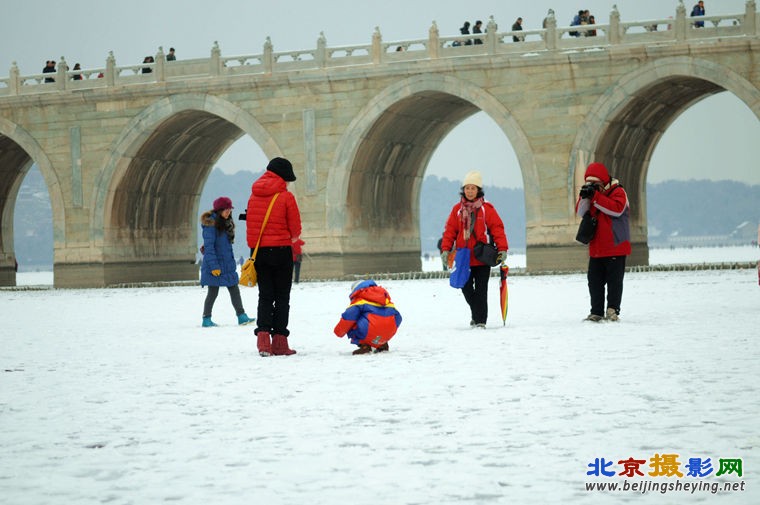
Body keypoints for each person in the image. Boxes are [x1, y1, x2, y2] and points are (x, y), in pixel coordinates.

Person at [246, 157, 303, 357]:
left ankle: (263, 341)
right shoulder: (286, 197)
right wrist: (290, 238)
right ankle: (279, 342)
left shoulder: (253, 196)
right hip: (281, 252)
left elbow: (250, 227)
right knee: (281, 298)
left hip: (260, 252)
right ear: (283, 178)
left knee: (265, 296)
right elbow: (296, 230)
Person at [440, 171, 508, 329]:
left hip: (481, 256)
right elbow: (450, 230)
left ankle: (480, 321)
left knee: (481, 290)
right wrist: (445, 249)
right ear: (463, 190)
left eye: (473, 188)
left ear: (479, 190)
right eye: (467, 188)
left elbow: (497, 229)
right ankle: (476, 314)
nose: (470, 191)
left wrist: (502, 248)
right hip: (463, 257)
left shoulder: (487, 209)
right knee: (466, 288)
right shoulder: (457, 209)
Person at [575, 162, 631, 322]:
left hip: (615, 246)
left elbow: (617, 210)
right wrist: (585, 197)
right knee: (594, 281)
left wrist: (597, 197)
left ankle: (613, 310)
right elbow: (580, 212)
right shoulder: (593, 196)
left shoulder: (618, 191)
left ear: (603, 181)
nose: (592, 186)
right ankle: (596, 312)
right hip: (596, 248)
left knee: (614, 282)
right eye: (589, 183)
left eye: (595, 183)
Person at [199, 197, 255, 327]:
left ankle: (241, 316)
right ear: (219, 210)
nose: (228, 212)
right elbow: (209, 247)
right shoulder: (210, 224)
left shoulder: (226, 223)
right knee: (213, 292)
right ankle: (206, 319)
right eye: (226, 210)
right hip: (215, 265)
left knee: (234, 289)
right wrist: (214, 266)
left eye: (230, 210)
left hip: (227, 265)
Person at [333, 279, 402, 355]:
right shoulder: (385, 300)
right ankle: (382, 344)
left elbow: (349, 317)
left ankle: (365, 346)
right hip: (387, 333)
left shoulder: (359, 300)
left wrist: (339, 332)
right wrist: (388, 328)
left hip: (368, 332)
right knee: (383, 323)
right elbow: (398, 318)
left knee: (352, 322)